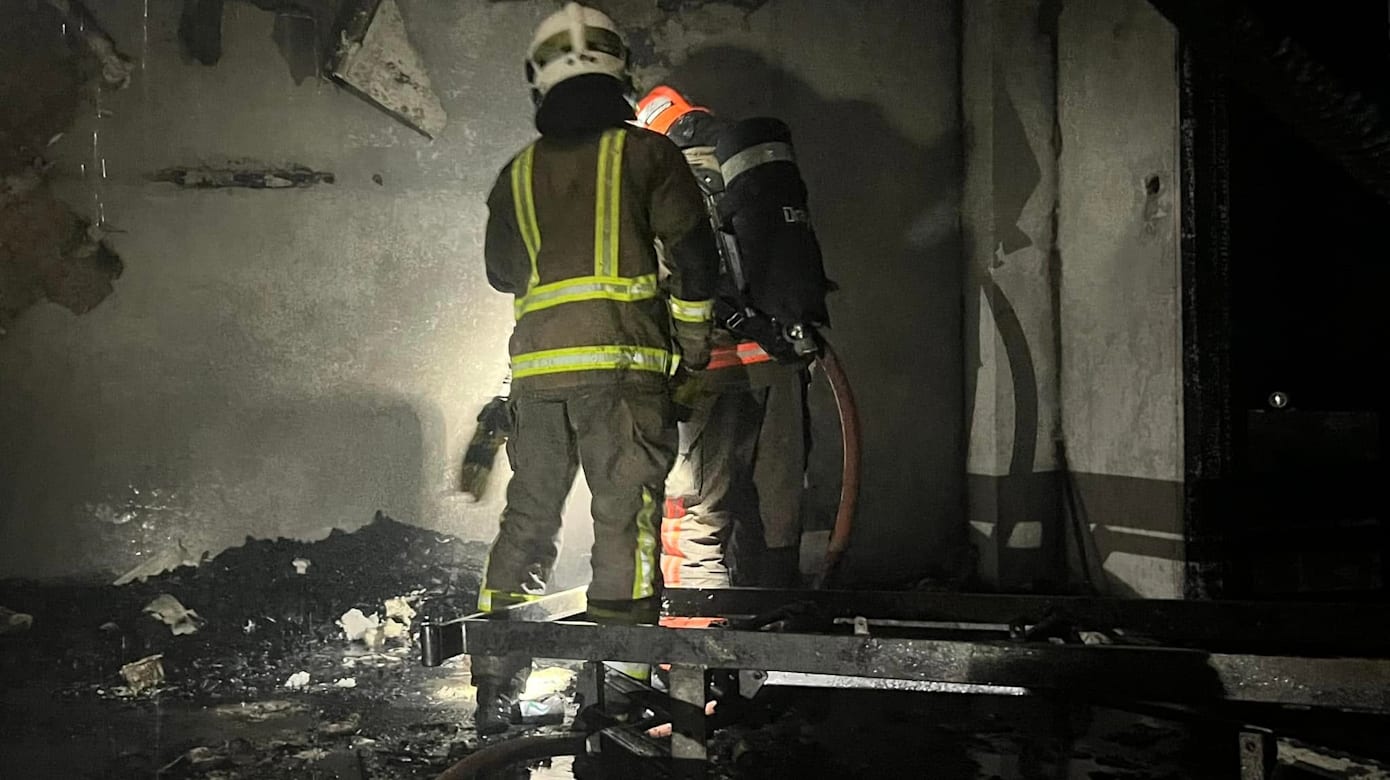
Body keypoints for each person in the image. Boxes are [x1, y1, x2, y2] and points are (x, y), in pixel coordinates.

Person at [472, 7, 719, 735]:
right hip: (623, 375)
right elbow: (695, 261)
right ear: (621, 71)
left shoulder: (515, 174)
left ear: (538, 79)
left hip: (537, 383)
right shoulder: (649, 156)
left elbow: (502, 273)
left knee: (527, 522)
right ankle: (619, 691)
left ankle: (494, 686)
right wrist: (694, 351)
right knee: (625, 526)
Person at [635, 86, 829, 597]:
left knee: (694, 522)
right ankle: (777, 627)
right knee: (777, 514)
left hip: (709, 371)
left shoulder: (661, 181)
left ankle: (697, 644)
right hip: (782, 364)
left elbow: (656, 280)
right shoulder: (750, 173)